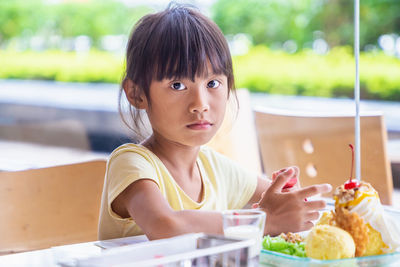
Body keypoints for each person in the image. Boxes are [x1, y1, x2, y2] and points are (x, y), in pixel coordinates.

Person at [98, 4, 332, 241]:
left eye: (212, 84)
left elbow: (281, 202)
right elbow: (164, 225)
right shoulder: (131, 162)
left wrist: (287, 196)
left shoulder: (215, 168)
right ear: (137, 94)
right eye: (177, 85)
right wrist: (263, 220)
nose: (200, 104)